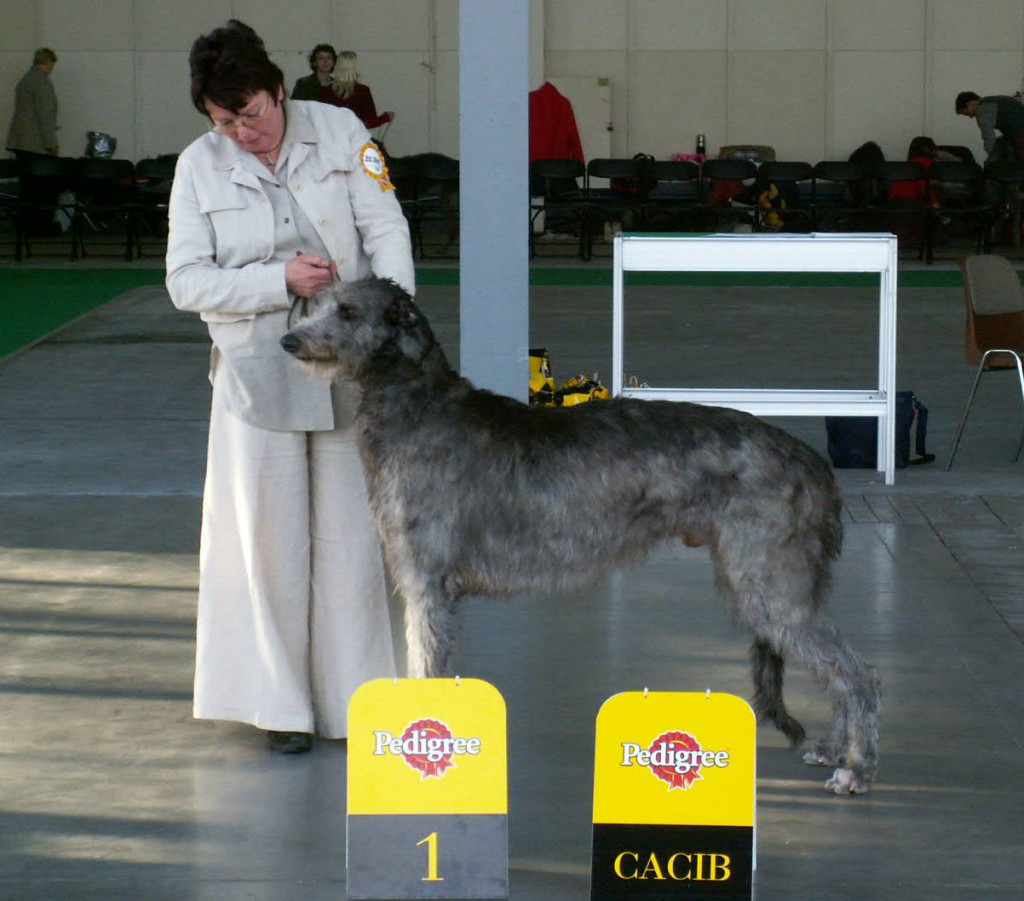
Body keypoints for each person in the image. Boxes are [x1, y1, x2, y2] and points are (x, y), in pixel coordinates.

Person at [166, 20, 414, 755]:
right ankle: (279, 707)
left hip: (348, 367)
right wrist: (274, 280)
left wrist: (393, 320)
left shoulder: (342, 132)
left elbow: (387, 226)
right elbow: (185, 280)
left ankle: (355, 699)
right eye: (223, 121)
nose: (242, 131)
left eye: (251, 113)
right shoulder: (196, 167)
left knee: (351, 537)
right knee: (266, 543)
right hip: (253, 370)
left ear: (279, 90)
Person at [5, 48, 59, 158]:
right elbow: (45, 115)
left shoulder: (25, 79)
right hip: (35, 143)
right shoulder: (41, 82)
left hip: (19, 141)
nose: (52, 68)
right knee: (38, 173)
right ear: (48, 61)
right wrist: (51, 143)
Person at [331, 51, 395, 130]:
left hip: (331, 139)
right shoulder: (362, 91)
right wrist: (386, 117)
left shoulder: (326, 91)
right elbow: (370, 122)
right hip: (354, 139)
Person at [955, 91, 1024, 161]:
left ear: (970, 104)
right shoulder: (990, 101)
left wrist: (992, 159)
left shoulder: (982, 111)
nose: (970, 116)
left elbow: (988, 137)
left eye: (967, 113)